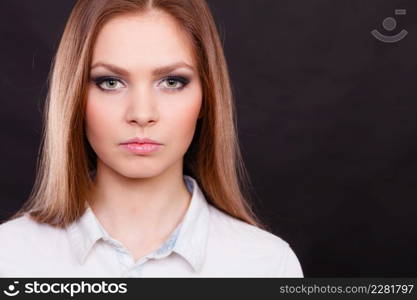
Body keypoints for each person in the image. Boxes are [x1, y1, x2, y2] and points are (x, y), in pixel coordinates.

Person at [0, 0, 303, 277]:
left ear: (207, 96)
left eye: (172, 82)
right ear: (74, 95)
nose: (142, 114)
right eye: (110, 82)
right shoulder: (10, 258)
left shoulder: (267, 265)